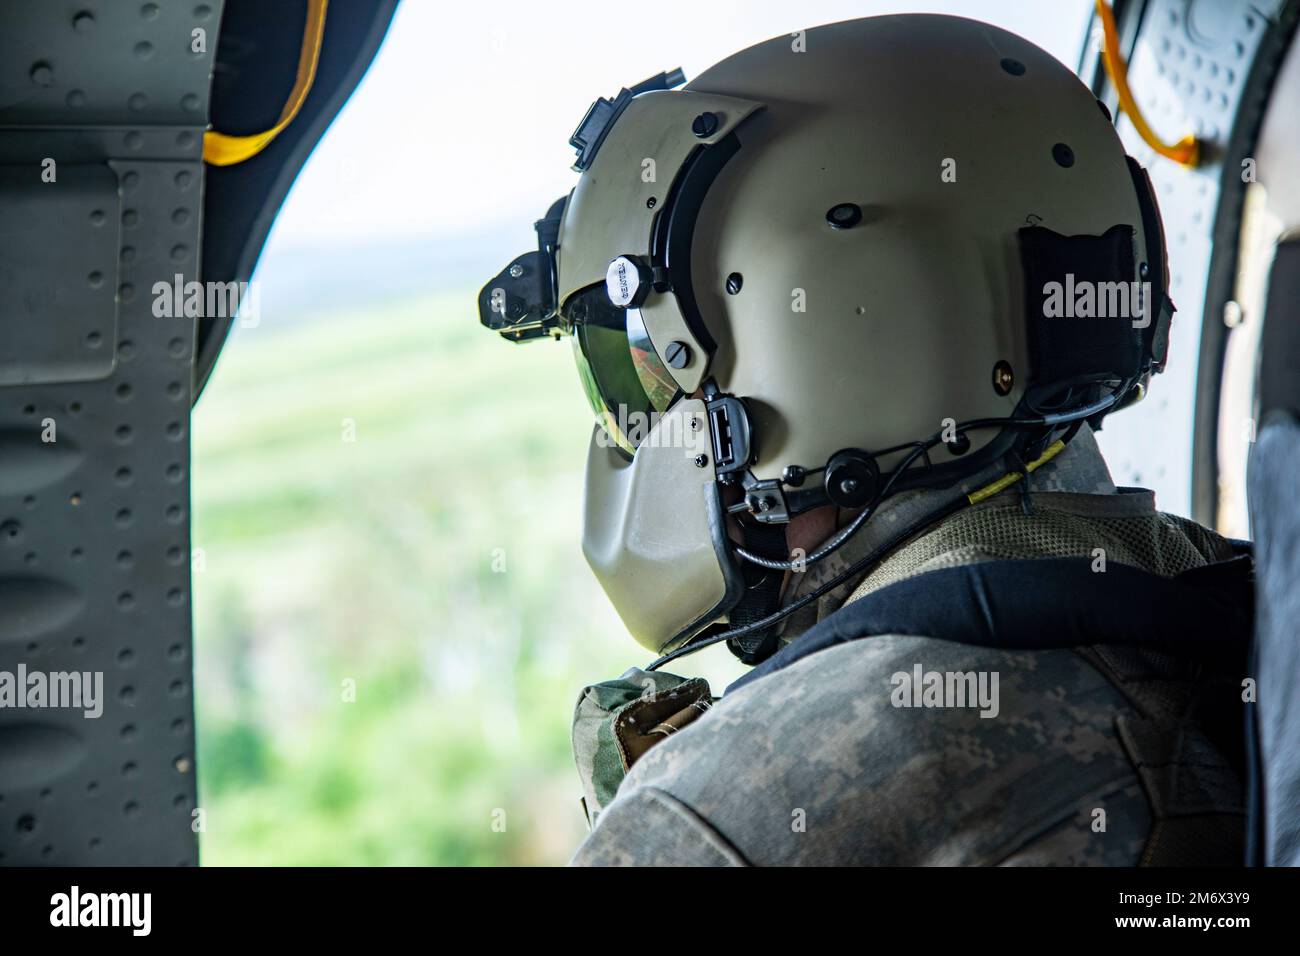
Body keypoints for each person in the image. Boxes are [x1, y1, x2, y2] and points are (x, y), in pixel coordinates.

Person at [479, 14, 1250, 866]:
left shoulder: (727, 810)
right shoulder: (1252, 620)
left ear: (816, 329)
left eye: (650, 380)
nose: (635, 426)